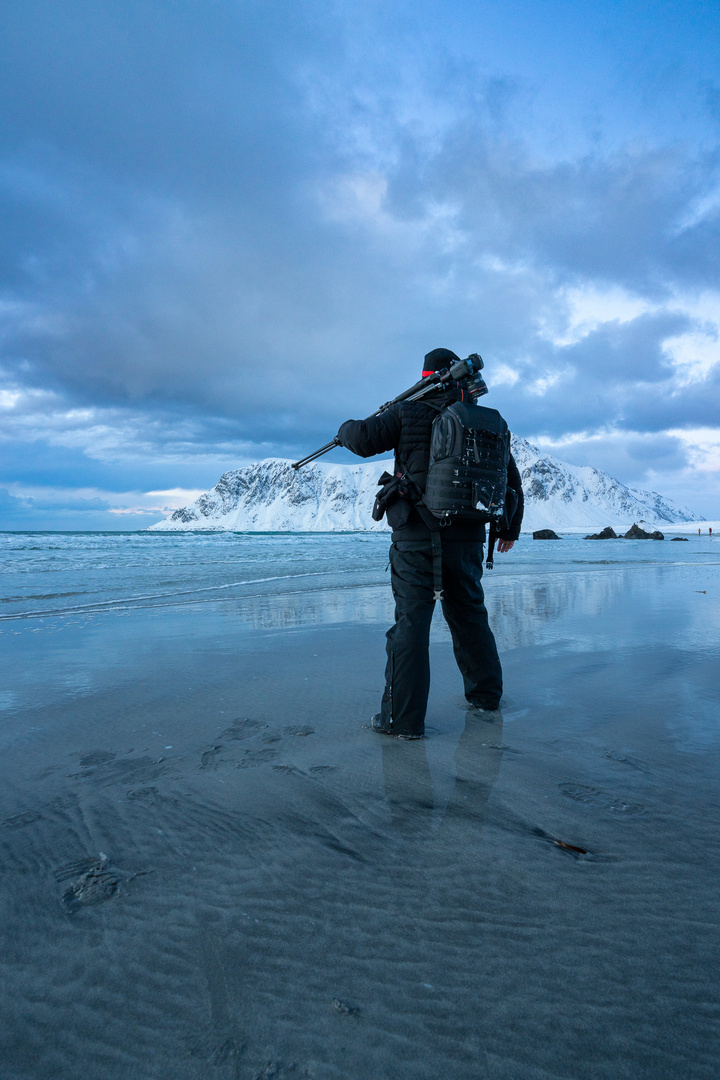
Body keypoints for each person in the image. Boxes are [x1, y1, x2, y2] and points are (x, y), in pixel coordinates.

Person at [336, 347, 524, 740]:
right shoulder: (484, 421)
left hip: (415, 537)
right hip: (468, 538)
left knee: (411, 625)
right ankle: (486, 698)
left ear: (425, 377)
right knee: (470, 617)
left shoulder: (406, 412)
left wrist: (345, 429)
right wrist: (508, 529)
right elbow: (510, 478)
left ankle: (402, 722)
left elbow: (364, 438)